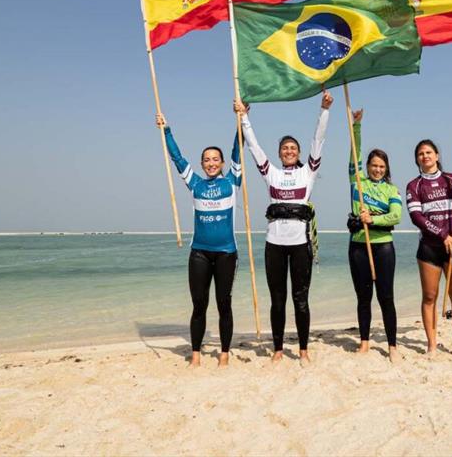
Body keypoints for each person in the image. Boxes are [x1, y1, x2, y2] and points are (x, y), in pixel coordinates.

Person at [234, 91, 333, 365]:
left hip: (300, 244)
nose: (289, 151)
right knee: (278, 300)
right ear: (279, 154)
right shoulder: (271, 173)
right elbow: (254, 147)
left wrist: (324, 110)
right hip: (274, 244)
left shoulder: (308, 172)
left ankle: (303, 349)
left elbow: (319, 140)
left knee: (300, 299)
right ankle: (278, 349)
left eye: (293, 148)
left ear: (299, 153)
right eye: (285, 149)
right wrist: (244, 118)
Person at [156, 112, 241, 368]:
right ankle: (195, 354)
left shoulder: (232, 181)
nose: (211, 163)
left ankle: (224, 353)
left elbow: (239, 149)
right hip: (200, 253)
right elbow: (177, 159)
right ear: (202, 164)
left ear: (223, 162)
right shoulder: (195, 184)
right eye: (207, 160)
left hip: (227, 252)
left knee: (224, 304)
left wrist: (240, 121)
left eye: (216, 159)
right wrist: (166, 130)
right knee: (199, 304)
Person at [406, 139, 452, 359]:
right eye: (420, 154)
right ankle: (432, 346)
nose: (425, 156)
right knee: (429, 297)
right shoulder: (414, 186)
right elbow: (417, 217)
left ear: (437, 156)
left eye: (428, 152)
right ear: (417, 159)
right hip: (429, 248)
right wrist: (442, 235)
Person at [347, 109, 402, 362]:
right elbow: (354, 155)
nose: (377, 169)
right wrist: (357, 126)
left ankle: (392, 345)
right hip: (359, 245)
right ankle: (365, 342)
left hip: (384, 247)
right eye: (373, 165)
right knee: (363, 297)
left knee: (386, 296)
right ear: (367, 167)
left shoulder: (392, 189)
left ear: (386, 168)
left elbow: (396, 217)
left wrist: (374, 219)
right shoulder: (358, 182)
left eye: (381, 166)